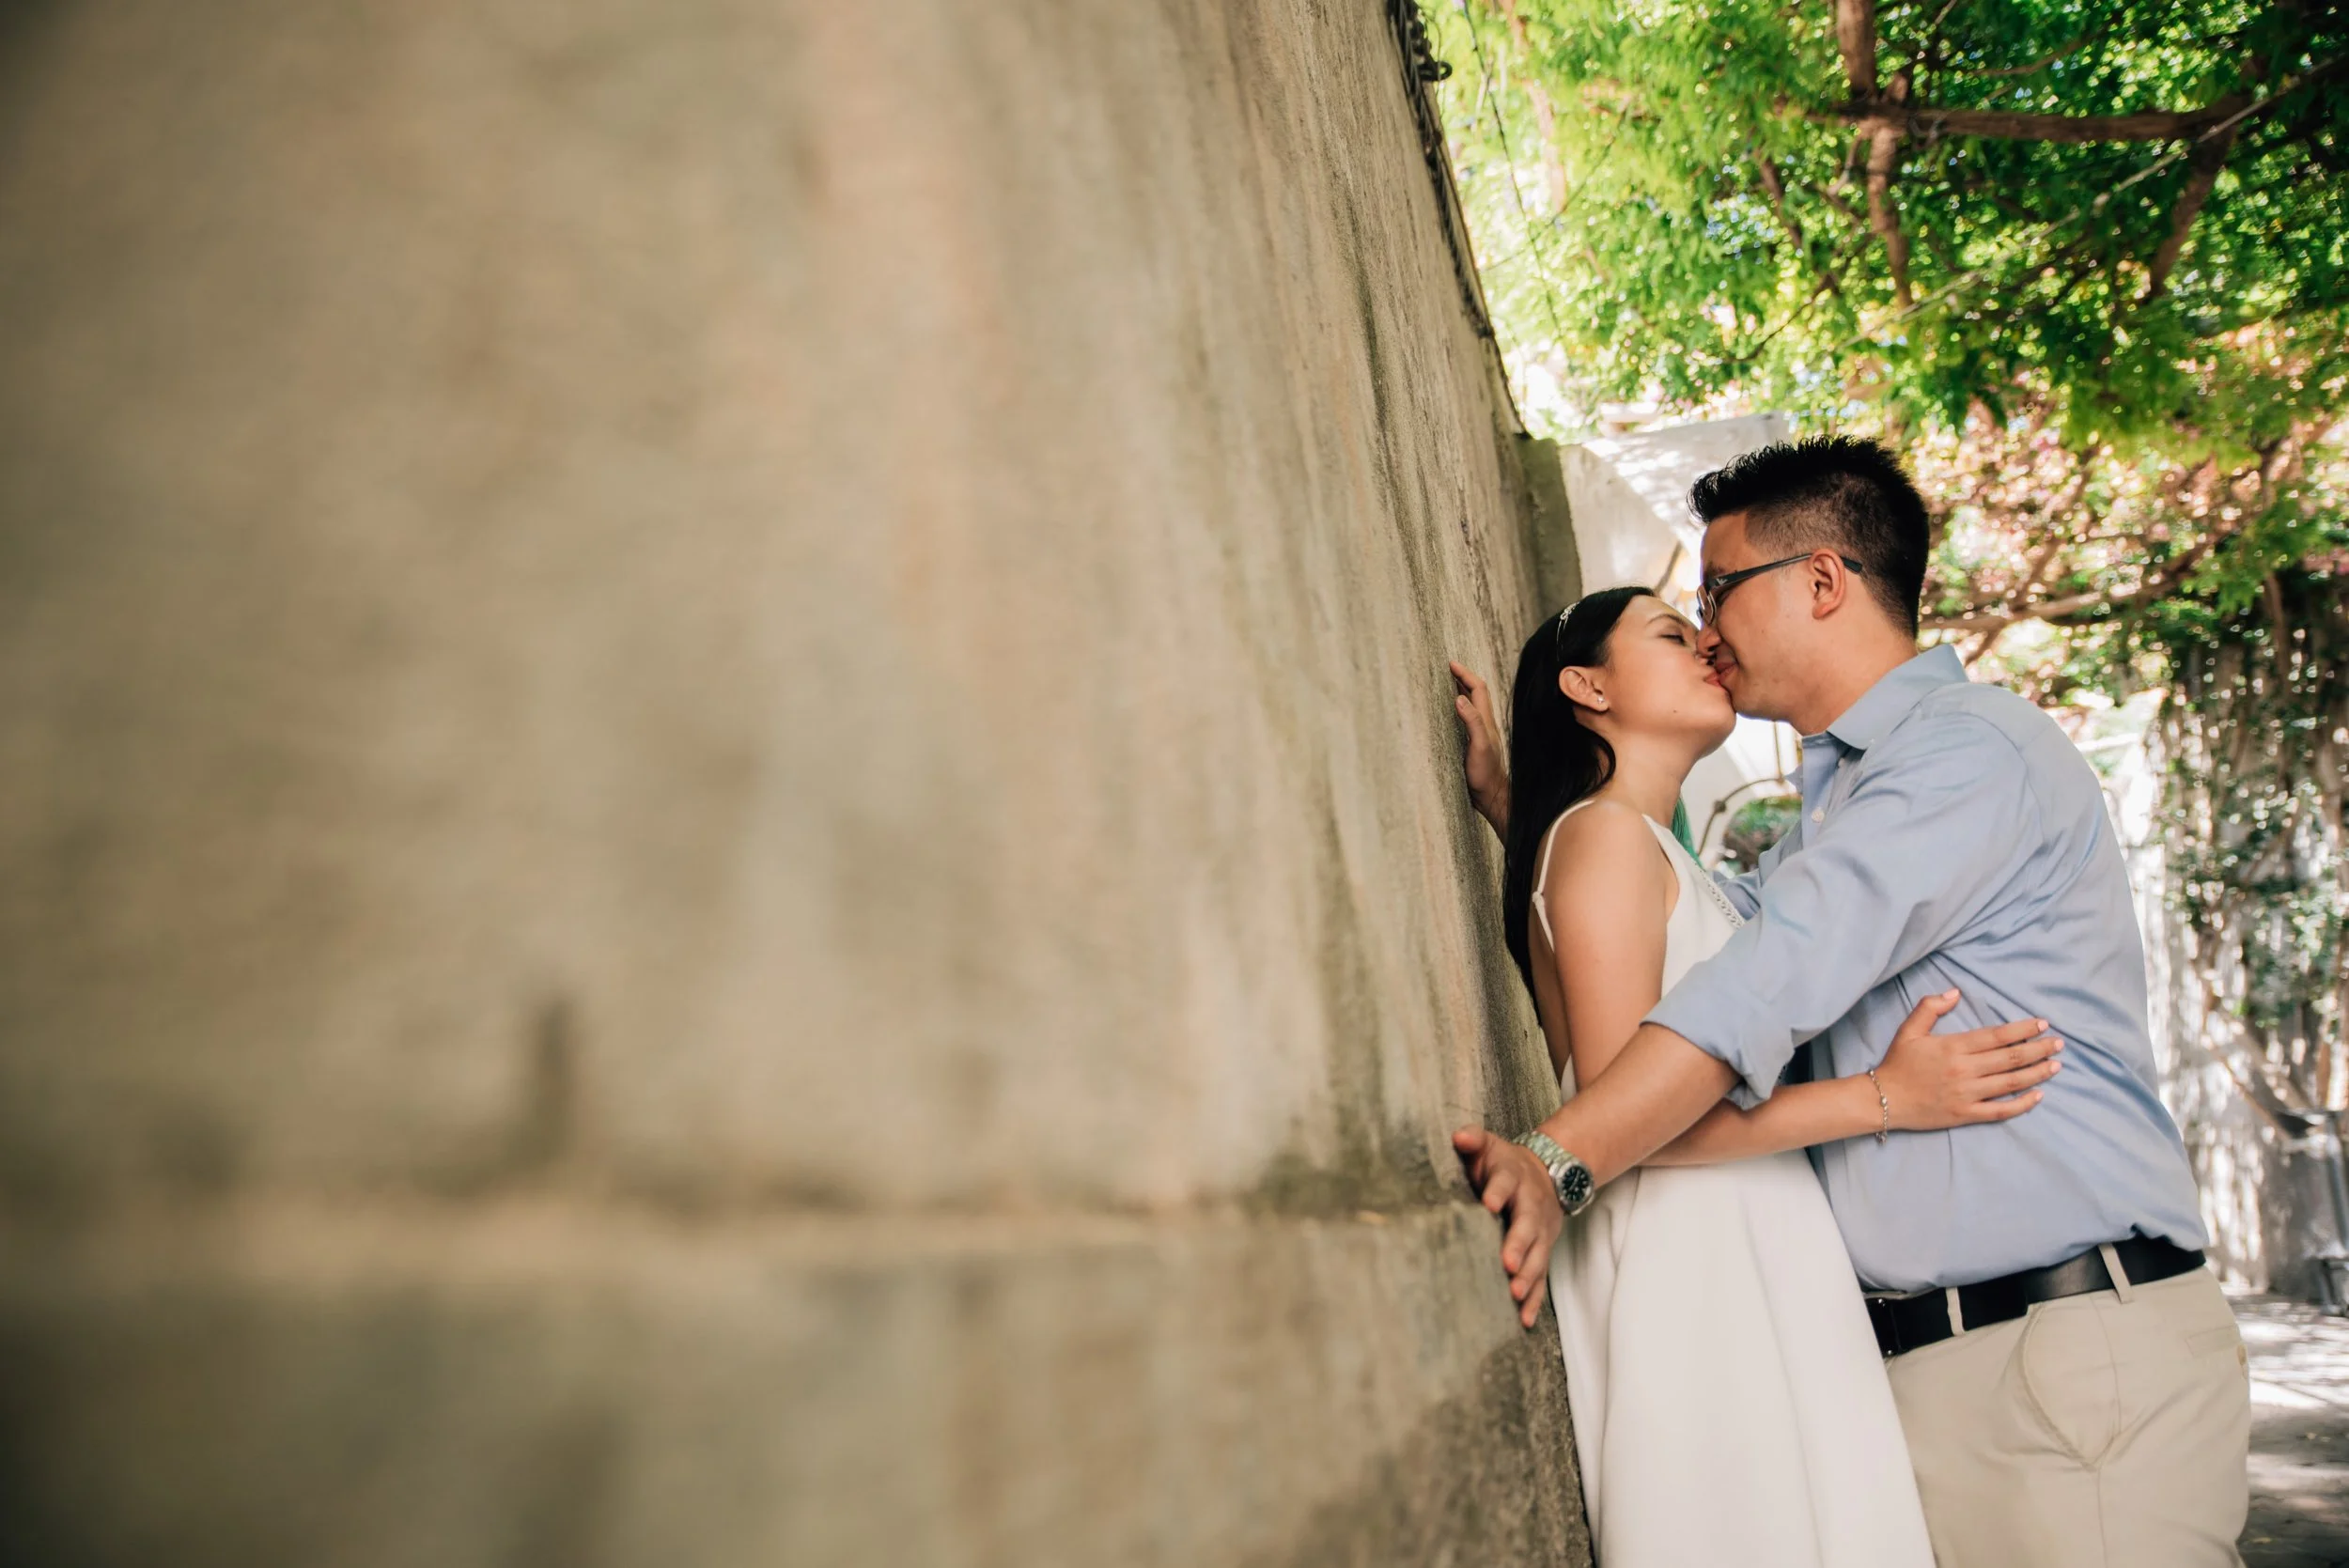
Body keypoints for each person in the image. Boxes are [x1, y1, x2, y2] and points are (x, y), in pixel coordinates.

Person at [1451, 436, 2249, 1567]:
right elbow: (1686, 921)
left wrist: (1556, 1156)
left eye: (1718, 591)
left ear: (1822, 581)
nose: (1709, 628)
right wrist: (1528, 809)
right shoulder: (1844, 800)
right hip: (1922, 1369)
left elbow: (1758, 985)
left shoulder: (1960, 757)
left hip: (2059, 1359)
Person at [1480, 581, 2062, 1567]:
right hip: (1692, 1256)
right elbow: (1628, 1115)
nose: (1706, 645)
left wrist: (1511, 804)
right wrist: (1886, 1098)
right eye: (1671, 633)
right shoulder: (1605, 836)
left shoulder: (1641, 846)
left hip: (1744, 1242)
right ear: (1587, 684)